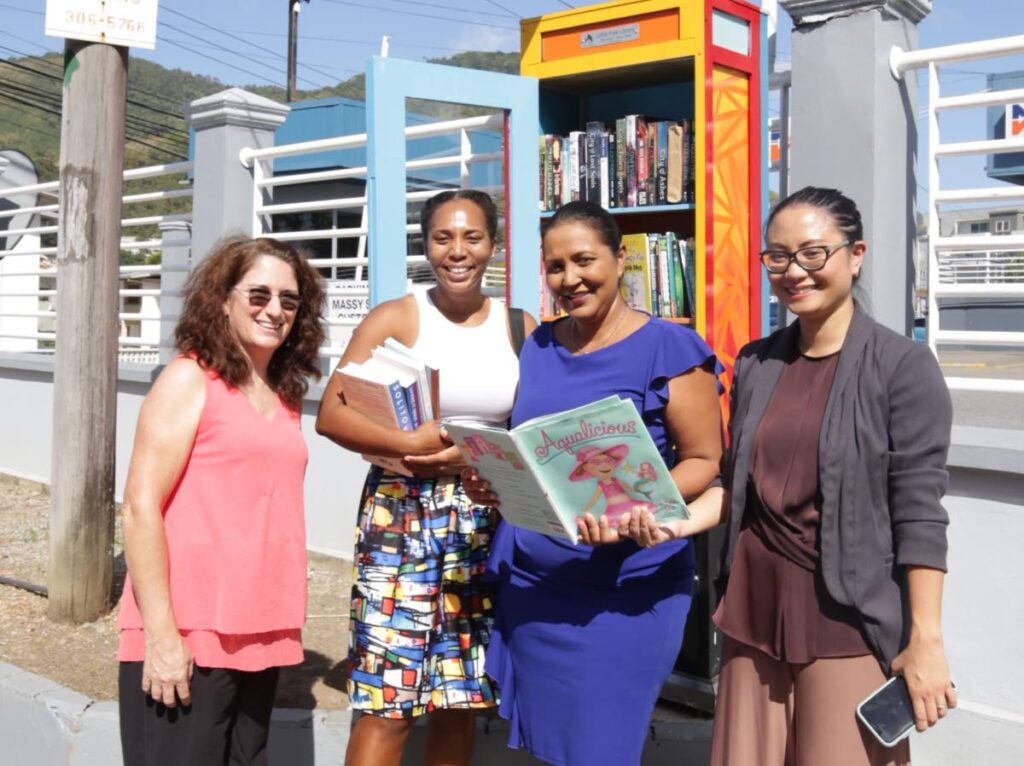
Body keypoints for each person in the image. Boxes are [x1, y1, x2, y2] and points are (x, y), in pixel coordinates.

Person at [619, 187, 957, 765]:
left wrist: (925, 639)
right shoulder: (755, 361)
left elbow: (919, 511)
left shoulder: (901, 366)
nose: (794, 271)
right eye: (777, 257)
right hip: (753, 612)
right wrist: (675, 523)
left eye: (812, 253)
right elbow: (734, 485)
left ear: (855, 255)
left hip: (847, 621)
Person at [463, 200, 724, 765]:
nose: (569, 279)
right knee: (554, 749)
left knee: (601, 750)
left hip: (630, 588)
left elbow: (705, 460)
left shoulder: (670, 347)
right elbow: (532, 449)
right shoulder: (537, 345)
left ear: (620, 257)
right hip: (535, 584)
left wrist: (642, 506)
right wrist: (496, 483)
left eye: (584, 260)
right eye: (555, 267)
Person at [314, 189, 535, 766]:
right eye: (443, 238)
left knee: (459, 698)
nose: (457, 251)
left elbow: (529, 433)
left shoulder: (519, 326)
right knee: (388, 702)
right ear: (426, 244)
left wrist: (467, 457)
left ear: (494, 244)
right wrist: (410, 443)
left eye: (472, 237)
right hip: (400, 518)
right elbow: (331, 413)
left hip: (482, 520)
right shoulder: (397, 318)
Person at [116, 236, 326, 766]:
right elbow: (140, 507)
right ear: (222, 300)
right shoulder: (189, 378)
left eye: (289, 300)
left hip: (259, 631)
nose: (274, 310)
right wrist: (163, 638)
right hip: (191, 633)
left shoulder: (282, 393)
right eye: (258, 295)